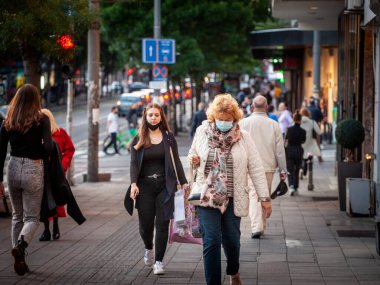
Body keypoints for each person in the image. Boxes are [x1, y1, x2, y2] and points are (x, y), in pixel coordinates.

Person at [188, 94, 271, 285]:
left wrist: (264, 197)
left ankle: (234, 271)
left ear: (235, 119)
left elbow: (256, 167)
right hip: (207, 196)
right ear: (213, 117)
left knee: (232, 241)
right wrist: (193, 159)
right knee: (211, 240)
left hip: (233, 197)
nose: (224, 123)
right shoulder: (202, 132)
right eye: (220, 119)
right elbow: (193, 153)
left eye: (228, 120)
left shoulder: (244, 137)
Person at [0, 84, 53, 276]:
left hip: (12, 167)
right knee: (32, 218)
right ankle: (21, 247)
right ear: (35, 99)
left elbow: (0, 150)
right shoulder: (42, 119)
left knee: (17, 216)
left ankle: (19, 260)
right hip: (33, 168)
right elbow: (48, 148)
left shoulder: (8, 119)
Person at [129, 103, 189, 275]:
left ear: (161, 117)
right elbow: (133, 164)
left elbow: (176, 161)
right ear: (145, 117)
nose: (153, 117)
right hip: (145, 187)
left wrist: (183, 182)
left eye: (156, 115)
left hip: (165, 186)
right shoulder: (138, 139)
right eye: (150, 115)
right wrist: (134, 184)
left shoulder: (169, 137)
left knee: (162, 224)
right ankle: (148, 247)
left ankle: (159, 262)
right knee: (145, 226)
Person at [240, 95, 287, 239]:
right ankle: (259, 226)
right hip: (268, 166)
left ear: (252, 107)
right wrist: (283, 169)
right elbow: (280, 150)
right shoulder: (273, 125)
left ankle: (257, 226)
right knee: (264, 194)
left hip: (248, 166)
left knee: (255, 195)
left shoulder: (243, 123)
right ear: (266, 107)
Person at [38, 108, 75, 241]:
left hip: (57, 173)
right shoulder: (37, 134)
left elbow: (70, 150)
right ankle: (46, 229)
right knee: (44, 202)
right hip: (42, 173)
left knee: (57, 200)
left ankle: (56, 227)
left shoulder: (60, 133)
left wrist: (63, 166)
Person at [285, 110, 306, 196]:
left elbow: (285, 140)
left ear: (293, 119)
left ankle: (291, 186)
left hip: (289, 151)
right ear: (300, 120)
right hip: (298, 150)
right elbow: (303, 141)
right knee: (297, 169)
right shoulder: (303, 131)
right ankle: (296, 186)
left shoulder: (288, 130)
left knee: (290, 170)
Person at [299, 108, 321, 178]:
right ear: (308, 114)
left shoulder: (298, 121)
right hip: (309, 141)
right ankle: (305, 172)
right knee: (307, 157)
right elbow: (319, 132)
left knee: (301, 156)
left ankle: (301, 169)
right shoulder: (312, 122)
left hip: (300, 141)